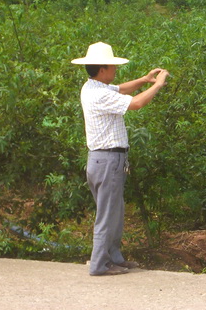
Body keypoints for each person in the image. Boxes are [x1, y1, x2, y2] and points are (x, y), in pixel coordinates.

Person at [71, 41, 169, 276]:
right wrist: (158, 85)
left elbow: (122, 89)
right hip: (107, 161)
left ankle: (113, 257)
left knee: (114, 211)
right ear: (103, 69)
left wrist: (145, 80)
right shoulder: (99, 95)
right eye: (112, 66)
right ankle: (99, 264)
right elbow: (136, 103)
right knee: (107, 214)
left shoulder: (92, 87)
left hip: (103, 161)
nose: (115, 70)